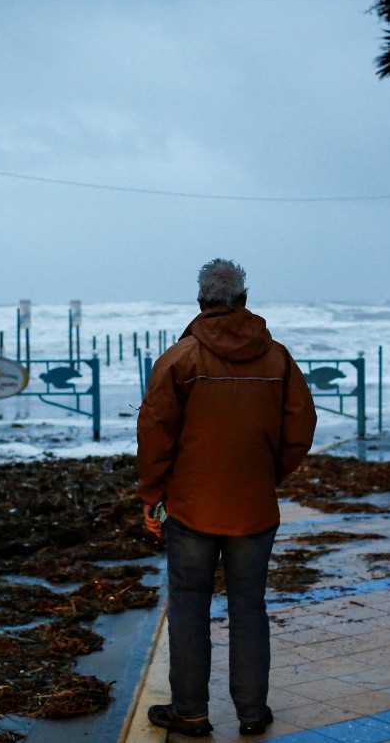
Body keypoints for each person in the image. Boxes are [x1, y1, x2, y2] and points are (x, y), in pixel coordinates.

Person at [137, 258, 317, 737]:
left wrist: (152, 495)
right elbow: (300, 429)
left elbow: (155, 435)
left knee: (190, 606)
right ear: (243, 299)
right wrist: (265, 474)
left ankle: (191, 713)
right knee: (249, 608)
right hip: (254, 508)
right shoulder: (277, 358)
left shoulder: (179, 359)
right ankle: (253, 714)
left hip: (191, 507)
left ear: (201, 302)